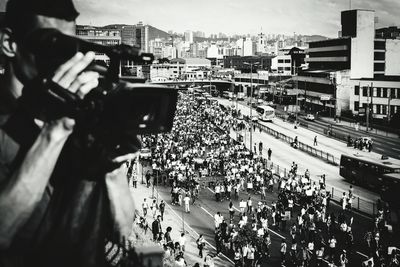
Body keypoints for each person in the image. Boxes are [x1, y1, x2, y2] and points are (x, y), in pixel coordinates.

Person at [0, 0, 135, 266]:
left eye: (68, 48)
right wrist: (55, 131)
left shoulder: (80, 113)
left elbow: (123, 230)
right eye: (51, 45)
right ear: (9, 44)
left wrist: (113, 167)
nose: (62, 60)